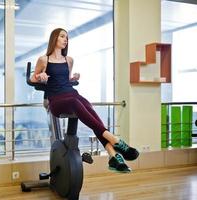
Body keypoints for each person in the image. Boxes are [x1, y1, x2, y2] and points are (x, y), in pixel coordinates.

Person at [31, 28, 139, 173]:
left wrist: (73, 78)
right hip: (56, 100)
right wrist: (40, 76)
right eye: (62, 36)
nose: (65, 39)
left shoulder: (68, 60)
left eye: (67, 38)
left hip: (72, 94)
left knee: (88, 106)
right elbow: (32, 78)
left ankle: (113, 156)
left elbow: (65, 79)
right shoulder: (44, 59)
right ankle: (115, 140)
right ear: (54, 38)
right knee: (77, 103)